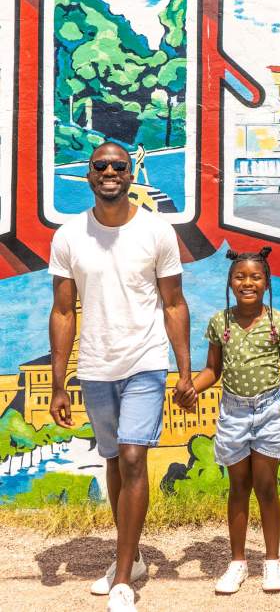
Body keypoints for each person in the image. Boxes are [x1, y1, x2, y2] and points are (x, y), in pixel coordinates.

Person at [48, 141, 194, 612]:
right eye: (101, 165)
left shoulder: (156, 232)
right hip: (95, 366)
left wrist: (185, 370)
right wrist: (57, 383)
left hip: (146, 361)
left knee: (133, 457)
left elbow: (174, 304)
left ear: (131, 175)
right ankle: (130, 560)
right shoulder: (69, 236)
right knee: (113, 459)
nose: (109, 171)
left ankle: (122, 579)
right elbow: (62, 311)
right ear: (89, 175)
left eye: (119, 166)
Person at [175, 247, 280, 595]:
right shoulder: (221, 323)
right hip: (234, 413)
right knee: (238, 488)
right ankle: (238, 562)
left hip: (271, 411)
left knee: (266, 486)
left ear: (267, 281)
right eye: (240, 276)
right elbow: (212, 371)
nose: (247, 282)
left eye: (255, 276)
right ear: (230, 282)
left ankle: (272, 561)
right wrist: (191, 388)